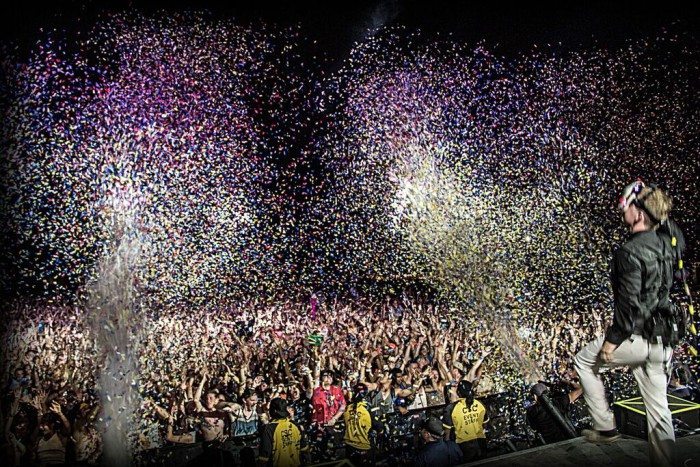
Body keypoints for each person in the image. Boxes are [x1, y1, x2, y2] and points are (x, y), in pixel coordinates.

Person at [573, 181, 682, 467]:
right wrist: (652, 200)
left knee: (584, 361)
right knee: (659, 410)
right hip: (663, 341)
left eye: (627, 206)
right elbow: (671, 228)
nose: (623, 210)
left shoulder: (629, 251)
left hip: (637, 338)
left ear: (640, 213)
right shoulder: (669, 242)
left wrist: (612, 341)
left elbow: (629, 304)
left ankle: (605, 426)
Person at [442, 380, 487, 461]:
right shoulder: (480, 403)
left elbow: (447, 433)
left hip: (464, 446)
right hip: (481, 442)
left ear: (458, 393)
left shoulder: (451, 408)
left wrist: (449, 449)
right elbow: (485, 424)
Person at [342, 383, 383, 466]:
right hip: (364, 446)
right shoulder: (368, 407)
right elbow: (379, 427)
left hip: (349, 445)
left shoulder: (347, 407)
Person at [258, 397, 306, 467]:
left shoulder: (269, 429)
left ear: (273, 411)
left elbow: (264, 456)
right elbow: (304, 449)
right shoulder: (296, 425)